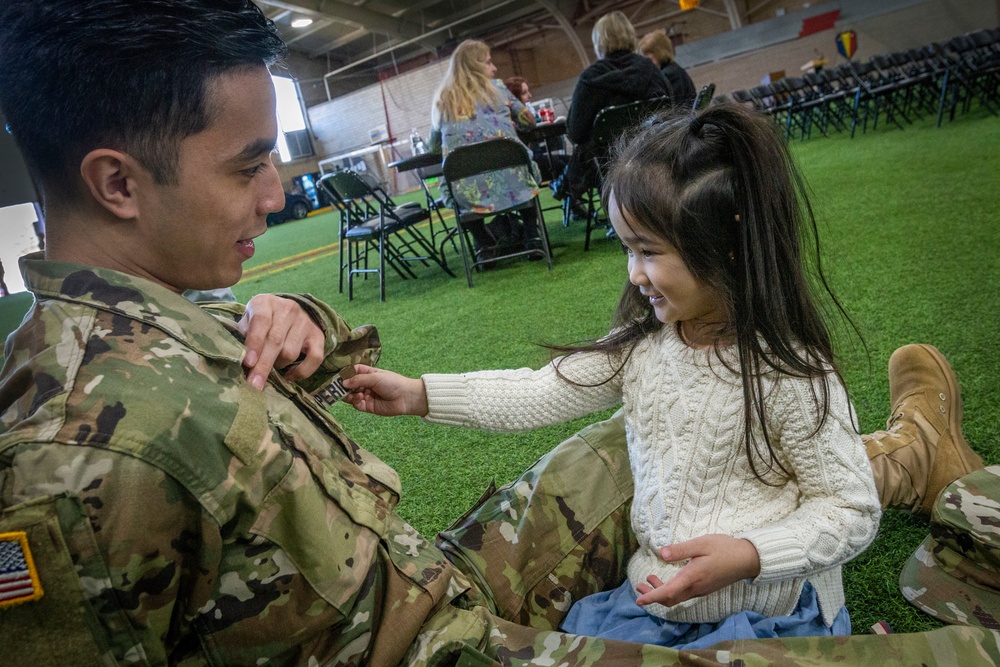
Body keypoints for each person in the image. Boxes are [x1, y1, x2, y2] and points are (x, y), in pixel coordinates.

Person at [0, 2, 993, 665]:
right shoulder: (67, 462)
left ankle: (906, 457)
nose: (279, 191)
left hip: (424, 579)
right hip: (445, 645)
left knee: (661, 417)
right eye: (246, 166)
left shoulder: (151, 314)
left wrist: (305, 314)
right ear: (117, 182)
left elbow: (230, 371)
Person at [342, 104, 987, 648]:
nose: (633, 273)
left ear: (727, 246)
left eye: (648, 251)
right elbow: (540, 390)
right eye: (628, 248)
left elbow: (847, 510)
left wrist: (750, 554)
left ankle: (919, 451)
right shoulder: (643, 346)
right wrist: (422, 394)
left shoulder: (793, 376)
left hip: (769, 618)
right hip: (655, 606)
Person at [429, 40, 543, 264]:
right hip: (515, 182)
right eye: (489, 62)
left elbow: (433, 146)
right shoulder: (499, 90)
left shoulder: (442, 101)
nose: (494, 68)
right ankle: (533, 235)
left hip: (468, 190)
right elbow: (529, 122)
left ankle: (483, 244)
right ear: (475, 66)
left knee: (454, 187)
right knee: (524, 170)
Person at [552, 11, 669, 214]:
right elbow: (670, 109)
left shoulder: (590, 79)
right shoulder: (651, 71)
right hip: (653, 154)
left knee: (586, 152)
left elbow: (575, 132)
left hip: (608, 168)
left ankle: (567, 188)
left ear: (599, 42)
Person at [504, 75, 571, 183]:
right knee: (564, 165)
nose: (530, 95)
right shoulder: (513, 121)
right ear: (514, 98)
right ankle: (566, 192)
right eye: (524, 93)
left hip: (538, 157)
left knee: (571, 162)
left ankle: (568, 194)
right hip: (530, 162)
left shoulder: (527, 115)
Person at [638, 29, 697, 110]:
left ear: (660, 52)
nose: (644, 58)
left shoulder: (668, 75)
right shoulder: (676, 69)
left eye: (648, 53)